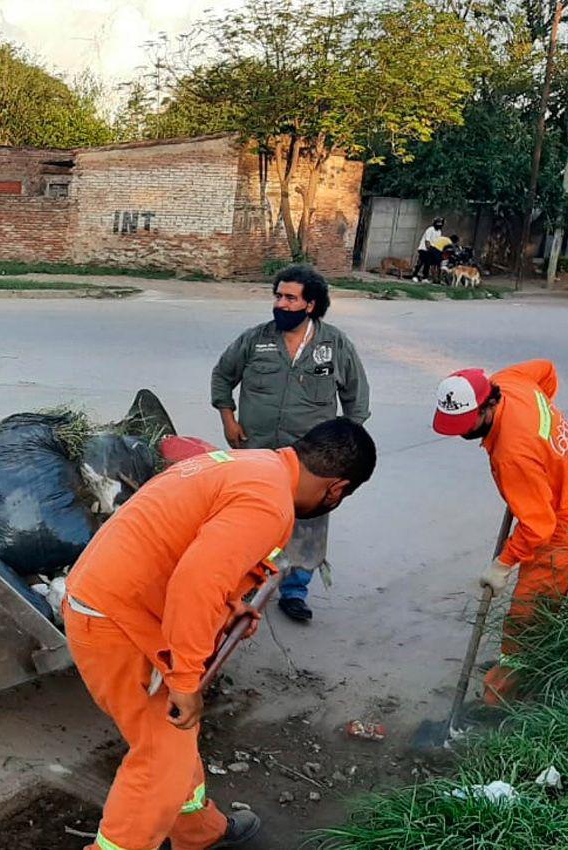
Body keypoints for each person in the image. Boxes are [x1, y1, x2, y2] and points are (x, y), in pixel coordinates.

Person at [63, 419, 377, 850]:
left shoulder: (253, 466)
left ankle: (198, 833)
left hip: (114, 601)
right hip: (116, 620)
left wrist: (229, 605)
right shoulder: (270, 504)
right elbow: (195, 584)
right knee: (161, 757)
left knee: (174, 739)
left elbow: (190, 547)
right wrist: (186, 678)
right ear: (337, 489)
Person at [431, 361, 568, 706]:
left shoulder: (512, 454)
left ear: (488, 405)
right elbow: (545, 370)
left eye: (465, 423)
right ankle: (530, 662)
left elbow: (538, 526)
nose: (460, 432)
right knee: (536, 601)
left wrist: (502, 565)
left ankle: (504, 694)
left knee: (529, 606)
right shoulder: (508, 381)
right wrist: (541, 437)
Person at [211, 264, 370, 622]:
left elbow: (356, 399)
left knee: (307, 521)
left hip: (312, 461)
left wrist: (344, 448)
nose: (280, 303)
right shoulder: (255, 339)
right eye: (278, 296)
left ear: (310, 304)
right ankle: (243, 585)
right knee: (249, 518)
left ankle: (294, 591)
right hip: (258, 451)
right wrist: (228, 419)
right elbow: (222, 375)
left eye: (290, 297)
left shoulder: (335, 345)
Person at [414, 217, 445, 281]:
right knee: (421, 262)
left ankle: (425, 277)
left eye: (440, 223)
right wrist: (430, 249)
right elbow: (427, 241)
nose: (439, 225)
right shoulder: (430, 229)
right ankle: (414, 275)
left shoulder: (439, 232)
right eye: (438, 223)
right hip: (424, 248)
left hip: (431, 249)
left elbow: (437, 241)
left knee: (428, 263)